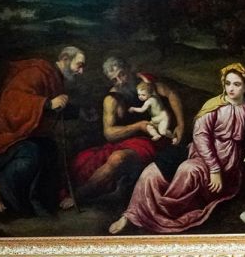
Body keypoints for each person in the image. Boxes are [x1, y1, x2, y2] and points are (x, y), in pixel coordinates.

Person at [109, 63, 245, 234]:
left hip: (228, 163)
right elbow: (200, 136)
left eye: (237, 84)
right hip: (201, 152)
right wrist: (213, 169)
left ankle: (164, 213)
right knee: (153, 171)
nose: (231, 89)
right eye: (228, 83)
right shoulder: (214, 106)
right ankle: (131, 214)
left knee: (188, 170)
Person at [0, 46, 85, 215]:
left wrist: (80, 112)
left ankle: (39, 202)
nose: (81, 71)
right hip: (0, 135)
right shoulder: (38, 72)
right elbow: (12, 100)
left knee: (49, 148)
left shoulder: (55, 79)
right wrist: (47, 103)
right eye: (79, 65)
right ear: (65, 59)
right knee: (32, 152)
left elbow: (54, 107)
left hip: (23, 133)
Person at [71, 57, 186, 202]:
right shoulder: (112, 99)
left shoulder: (145, 82)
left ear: (129, 69)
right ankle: (78, 196)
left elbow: (171, 93)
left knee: (118, 159)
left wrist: (180, 124)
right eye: (115, 79)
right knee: (88, 162)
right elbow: (109, 133)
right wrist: (138, 126)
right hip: (131, 141)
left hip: (156, 137)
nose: (121, 81)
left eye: (122, 74)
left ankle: (80, 196)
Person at [129, 74, 177, 142]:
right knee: (148, 127)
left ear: (150, 93)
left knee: (162, 131)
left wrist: (133, 108)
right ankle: (156, 135)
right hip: (154, 119)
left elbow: (142, 110)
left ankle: (173, 137)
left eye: (143, 95)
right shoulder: (154, 94)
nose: (140, 97)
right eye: (139, 94)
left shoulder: (149, 101)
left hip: (163, 118)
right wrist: (141, 76)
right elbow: (149, 84)